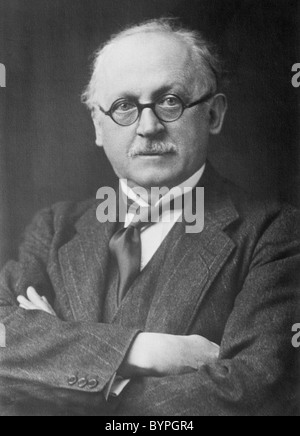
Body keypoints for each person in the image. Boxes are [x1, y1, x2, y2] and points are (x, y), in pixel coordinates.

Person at [0, 18, 299, 416]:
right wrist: (146, 351)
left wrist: (56, 371)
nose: (148, 126)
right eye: (124, 106)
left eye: (170, 100)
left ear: (213, 114)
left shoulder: (274, 233)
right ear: (98, 126)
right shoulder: (54, 227)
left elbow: (249, 393)